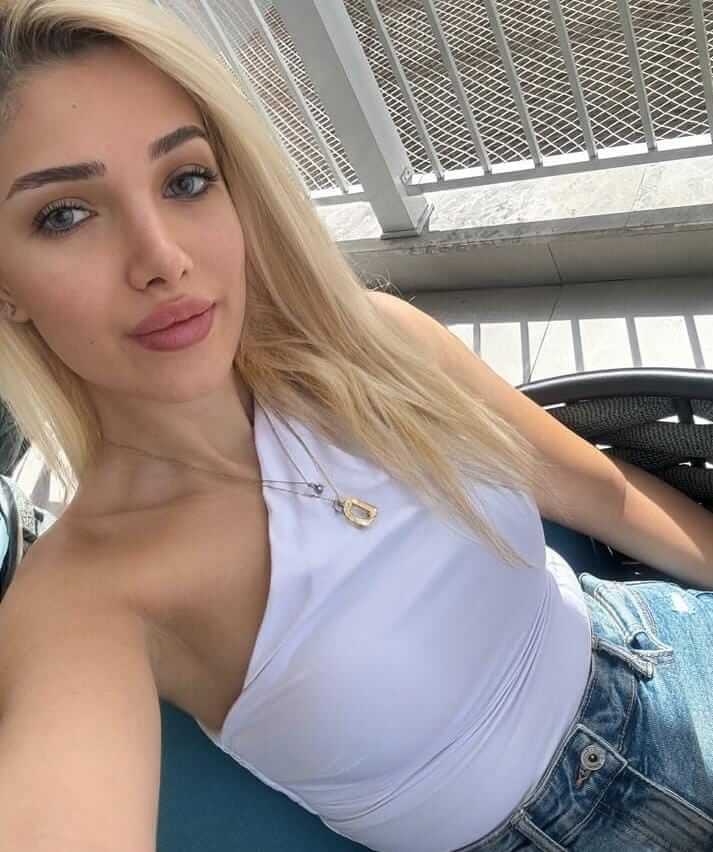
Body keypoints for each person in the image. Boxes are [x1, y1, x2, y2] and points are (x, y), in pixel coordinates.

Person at [0, 2, 711, 850]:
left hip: (660, 644)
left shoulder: (371, 343)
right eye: (64, 214)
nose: (162, 259)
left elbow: (604, 497)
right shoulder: (84, 598)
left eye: (185, 180)